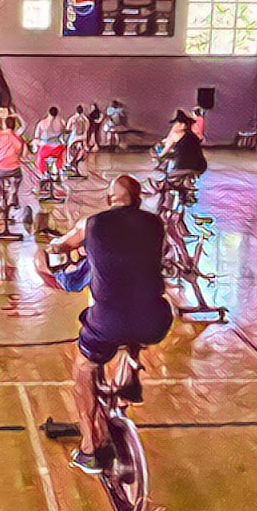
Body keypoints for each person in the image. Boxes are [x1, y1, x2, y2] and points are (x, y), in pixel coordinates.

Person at [48, 175, 173, 474]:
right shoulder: (155, 224)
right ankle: (129, 374)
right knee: (137, 320)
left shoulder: (91, 224)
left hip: (108, 322)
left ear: (108, 200)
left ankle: (89, 448)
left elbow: (60, 246)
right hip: (155, 319)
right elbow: (159, 255)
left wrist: (54, 249)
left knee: (84, 368)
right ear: (138, 199)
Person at [0, 115, 27, 218]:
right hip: (13, 168)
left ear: (4, 125)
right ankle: (12, 195)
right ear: (14, 126)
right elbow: (23, 154)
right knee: (18, 178)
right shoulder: (18, 137)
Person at [159, 110, 207, 176]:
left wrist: (160, 156)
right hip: (200, 166)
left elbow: (166, 149)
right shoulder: (194, 135)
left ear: (182, 124)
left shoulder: (176, 135)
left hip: (182, 167)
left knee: (168, 158)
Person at [34, 106, 67, 175]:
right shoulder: (61, 122)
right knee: (61, 155)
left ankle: (44, 172)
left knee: (40, 157)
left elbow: (36, 136)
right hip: (58, 147)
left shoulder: (42, 123)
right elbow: (66, 132)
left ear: (48, 113)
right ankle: (60, 168)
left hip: (47, 147)